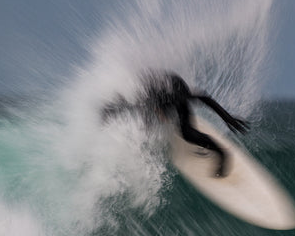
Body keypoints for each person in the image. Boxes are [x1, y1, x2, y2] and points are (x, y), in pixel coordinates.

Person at [101, 71, 249, 177]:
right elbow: (122, 103)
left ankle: (222, 153)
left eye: (162, 115)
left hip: (175, 86)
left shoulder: (175, 98)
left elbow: (204, 98)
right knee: (145, 124)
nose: (163, 119)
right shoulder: (142, 99)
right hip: (155, 94)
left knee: (187, 133)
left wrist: (228, 118)